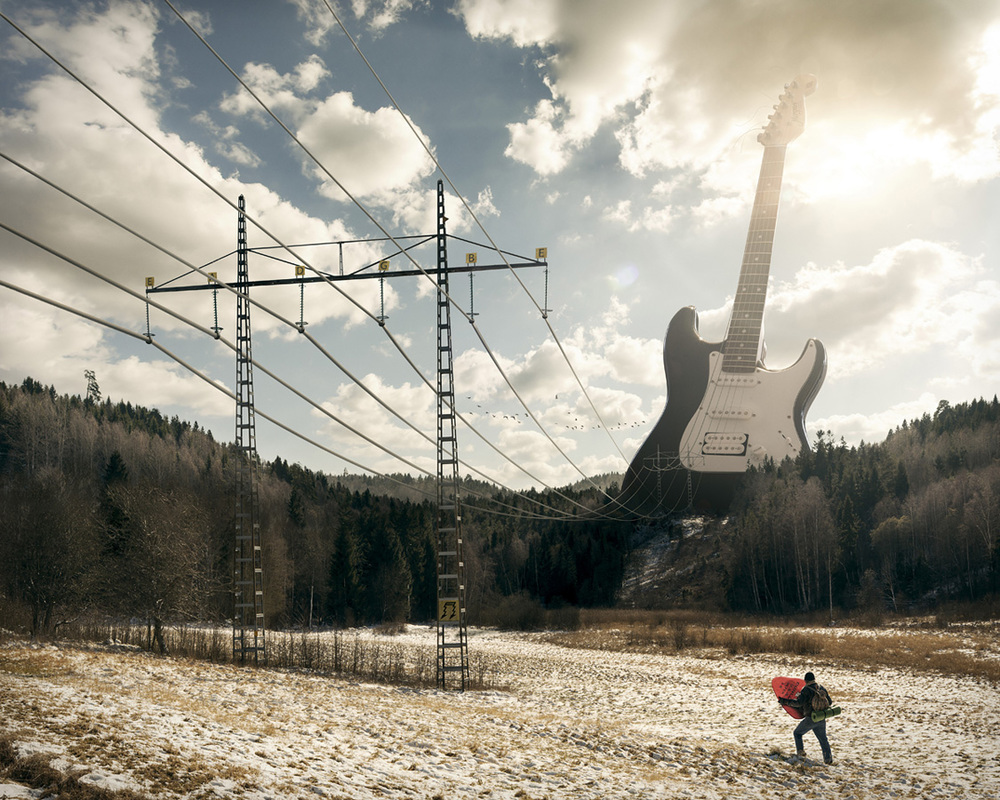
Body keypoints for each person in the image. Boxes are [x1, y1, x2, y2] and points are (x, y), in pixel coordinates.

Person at [781, 671, 834, 764]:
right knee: (823, 739)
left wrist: (785, 702)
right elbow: (830, 702)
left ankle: (801, 754)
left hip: (811, 718)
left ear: (805, 680)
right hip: (821, 716)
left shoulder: (806, 690)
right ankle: (828, 759)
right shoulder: (821, 688)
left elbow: (798, 703)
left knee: (797, 733)